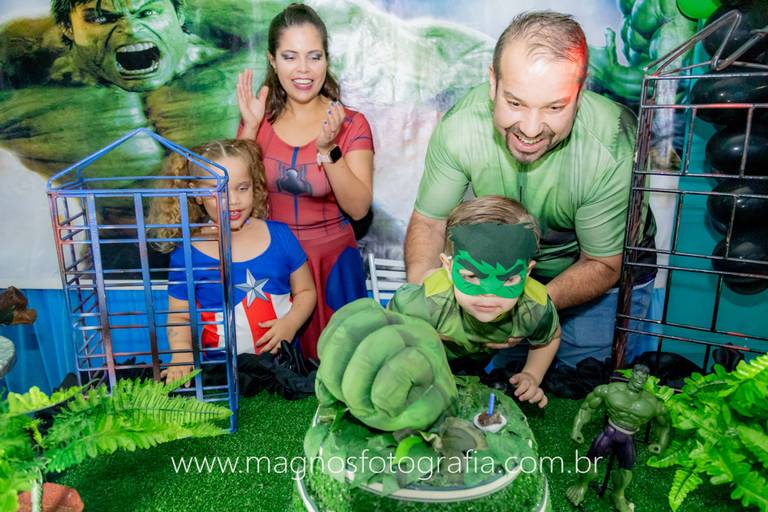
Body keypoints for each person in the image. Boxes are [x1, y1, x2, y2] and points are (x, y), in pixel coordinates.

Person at [403, 10, 657, 368]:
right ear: (493, 83)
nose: (531, 129)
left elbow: (602, 263)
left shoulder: (611, 147)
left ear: (580, 93)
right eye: (515, 103)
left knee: (583, 381)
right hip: (506, 276)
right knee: (504, 382)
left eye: (554, 107)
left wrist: (529, 310)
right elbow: (430, 222)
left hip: (599, 278)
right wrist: (428, 299)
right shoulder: (459, 128)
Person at [235, 3, 374, 360]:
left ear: (326, 60)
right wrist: (250, 128)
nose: (303, 69)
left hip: (332, 268)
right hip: (272, 267)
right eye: (290, 56)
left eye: (314, 56)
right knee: (273, 378)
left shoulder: (352, 123)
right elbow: (234, 196)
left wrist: (328, 150)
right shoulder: (257, 120)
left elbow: (359, 208)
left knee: (339, 368)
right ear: (272, 60)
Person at [149, 139, 316, 384]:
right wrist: (182, 355)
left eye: (242, 188)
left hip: (283, 369)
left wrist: (290, 324)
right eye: (219, 191)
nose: (234, 200)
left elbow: (306, 291)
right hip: (222, 374)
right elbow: (179, 317)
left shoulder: (281, 236)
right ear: (196, 194)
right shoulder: (187, 254)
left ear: (254, 186)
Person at [389, 196, 560, 408]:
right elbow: (392, 337)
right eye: (471, 276)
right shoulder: (424, 303)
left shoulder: (535, 306)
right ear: (449, 268)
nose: (488, 294)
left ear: (527, 273)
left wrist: (532, 374)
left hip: (476, 364)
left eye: (508, 279)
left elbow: (549, 337)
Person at [567, 364, 670, 512]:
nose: (640, 379)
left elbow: (664, 425)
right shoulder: (609, 390)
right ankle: (581, 485)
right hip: (609, 432)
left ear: (647, 379)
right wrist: (576, 429)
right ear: (631, 374)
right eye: (637, 374)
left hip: (628, 437)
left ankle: (618, 495)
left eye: (644, 377)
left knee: (626, 471)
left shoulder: (653, 403)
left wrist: (661, 444)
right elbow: (587, 407)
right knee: (590, 461)